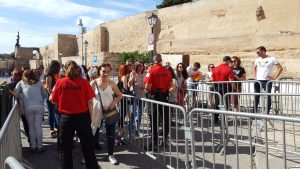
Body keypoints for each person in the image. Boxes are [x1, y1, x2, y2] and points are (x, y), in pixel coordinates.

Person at [51, 60, 99, 169]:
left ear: (64, 70)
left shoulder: (60, 82)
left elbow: (54, 100)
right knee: (88, 149)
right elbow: (90, 101)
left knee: (65, 150)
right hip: (82, 117)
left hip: (66, 118)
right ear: (78, 69)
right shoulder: (84, 82)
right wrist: (90, 116)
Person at [90, 63, 123, 165]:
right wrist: (90, 113)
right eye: (104, 71)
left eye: (108, 71)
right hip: (96, 111)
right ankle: (89, 156)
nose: (106, 74)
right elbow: (89, 99)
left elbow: (120, 96)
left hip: (110, 112)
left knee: (110, 134)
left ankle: (111, 155)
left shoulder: (112, 83)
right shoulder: (93, 83)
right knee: (93, 133)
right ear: (99, 71)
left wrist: (113, 103)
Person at [144, 54, 176, 150]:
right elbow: (171, 86)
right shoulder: (167, 71)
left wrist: (151, 93)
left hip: (154, 97)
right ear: (161, 60)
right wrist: (166, 92)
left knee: (154, 120)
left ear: (154, 61)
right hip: (164, 97)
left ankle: (154, 143)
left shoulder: (151, 71)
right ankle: (165, 140)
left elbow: (147, 87)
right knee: (165, 119)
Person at [13, 69, 48, 153]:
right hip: (39, 106)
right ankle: (40, 147)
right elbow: (45, 95)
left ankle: (33, 147)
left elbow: (15, 94)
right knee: (38, 127)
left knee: (31, 127)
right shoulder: (39, 83)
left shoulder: (21, 83)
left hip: (28, 107)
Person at [253, 46, 283, 114]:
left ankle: (267, 112)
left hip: (266, 81)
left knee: (267, 96)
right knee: (256, 96)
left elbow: (280, 68)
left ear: (263, 51)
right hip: (258, 81)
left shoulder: (272, 59)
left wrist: (274, 77)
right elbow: (254, 68)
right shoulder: (257, 59)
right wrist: (255, 76)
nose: (257, 54)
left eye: (258, 52)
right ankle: (254, 112)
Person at [212, 56, 235, 123]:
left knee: (217, 102)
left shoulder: (216, 68)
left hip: (217, 87)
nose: (230, 63)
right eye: (230, 61)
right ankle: (224, 119)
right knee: (225, 103)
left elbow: (213, 78)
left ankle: (215, 118)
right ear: (228, 61)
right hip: (225, 87)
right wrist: (234, 88)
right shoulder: (229, 69)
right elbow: (231, 79)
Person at [128, 62, 145, 137]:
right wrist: (132, 78)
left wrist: (141, 86)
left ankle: (136, 130)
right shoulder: (133, 74)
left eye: (142, 66)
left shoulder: (144, 75)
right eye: (139, 66)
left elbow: (146, 86)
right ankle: (131, 129)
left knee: (139, 114)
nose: (140, 68)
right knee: (134, 114)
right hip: (135, 98)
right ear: (137, 67)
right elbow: (129, 85)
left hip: (143, 98)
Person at [45, 60, 60, 138]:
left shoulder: (56, 75)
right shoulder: (49, 76)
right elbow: (48, 88)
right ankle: (51, 128)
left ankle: (56, 127)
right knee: (51, 112)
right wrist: (52, 97)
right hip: (51, 98)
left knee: (56, 112)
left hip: (56, 97)